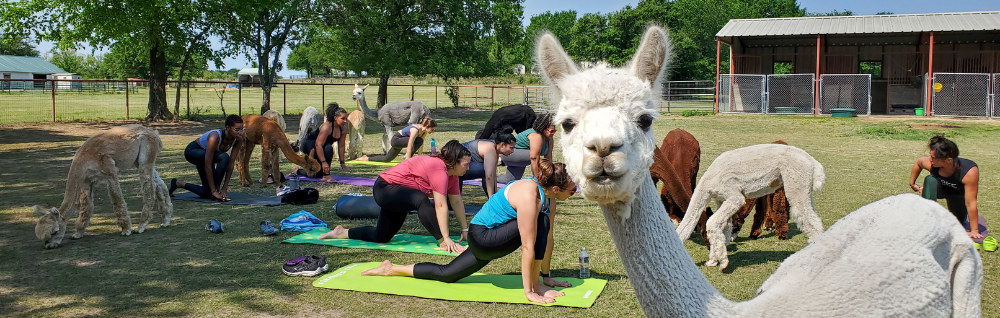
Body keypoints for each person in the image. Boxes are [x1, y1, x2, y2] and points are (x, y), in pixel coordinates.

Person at [361, 159, 578, 305]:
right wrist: (532, 290)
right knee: (541, 222)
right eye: (572, 190)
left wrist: (546, 277)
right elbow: (529, 246)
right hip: (484, 238)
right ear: (556, 189)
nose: (574, 192)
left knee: (446, 274)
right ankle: (536, 284)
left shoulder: (540, 192)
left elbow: (544, 241)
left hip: (484, 238)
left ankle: (392, 268)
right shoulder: (530, 197)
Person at [321, 140, 471, 254]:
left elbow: (456, 202)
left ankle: (342, 232)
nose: (468, 168)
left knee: (381, 236)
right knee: (421, 200)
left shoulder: (453, 176)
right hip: (385, 189)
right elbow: (440, 205)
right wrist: (445, 238)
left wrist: (465, 229)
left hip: (399, 194)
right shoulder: (438, 168)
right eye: (465, 164)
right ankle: (441, 242)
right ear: (454, 163)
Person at [909, 135, 984, 240]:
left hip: (957, 195)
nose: (930, 160)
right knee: (930, 180)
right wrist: (913, 184)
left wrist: (974, 231)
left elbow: (971, 203)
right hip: (940, 189)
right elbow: (919, 162)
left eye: (933, 158)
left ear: (948, 160)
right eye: (930, 156)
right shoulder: (931, 164)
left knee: (958, 221)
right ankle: (928, 222)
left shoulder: (969, 171)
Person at [169, 114, 244, 201]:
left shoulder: (238, 139)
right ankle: (214, 190)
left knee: (206, 192)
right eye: (237, 130)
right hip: (193, 151)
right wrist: (214, 191)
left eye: (242, 129)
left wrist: (224, 187)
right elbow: (208, 164)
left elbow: (230, 164)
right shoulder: (215, 137)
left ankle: (178, 184)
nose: (240, 132)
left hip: (207, 156)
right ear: (228, 127)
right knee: (224, 157)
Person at [498, 112, 554, 184]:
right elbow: (534, 159)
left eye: (554, 131)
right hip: (510, 154)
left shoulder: (550, 138)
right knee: (535, 156)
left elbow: (548, 157)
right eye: (551, 131)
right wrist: (538, 179)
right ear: (543, 128)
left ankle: (486, 177)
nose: (553, 133)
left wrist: (551, 174)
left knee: (509, 180)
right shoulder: (536, 136)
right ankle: (536, 179)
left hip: (521, 157)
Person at [459, 129, 517, 197]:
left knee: (489, 171)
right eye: (511, 148)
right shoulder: (490, 149)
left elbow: (493, 175)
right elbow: (489, 176)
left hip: (459, 166)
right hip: (454, 167)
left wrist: (495, 195)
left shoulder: (495, 149)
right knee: (486, 171)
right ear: (502, 145)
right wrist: (491, 199)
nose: (512, 151)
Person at [301, 103, 350, 180]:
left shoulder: (342, 129)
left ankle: (300, 171)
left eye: (346, 119)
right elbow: (318, 145)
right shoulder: (326, 127)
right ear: (335, 118)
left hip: (322, 146)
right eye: (343, 118)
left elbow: (341, 146)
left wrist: (342, 162)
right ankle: (326, 175)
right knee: (328, 148)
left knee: (318, 173)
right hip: (309, 144)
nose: (345, 121)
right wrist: (324, 162)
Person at [358, 117, 437, 162]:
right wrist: (408, 159)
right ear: (427, 127)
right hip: (396, 140)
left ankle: (366, 158)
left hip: (402, 141)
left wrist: (420, 157)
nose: (433, 132)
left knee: (387, 159)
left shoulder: (424, 132)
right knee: (418, 140)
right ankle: (407, 159)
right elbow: (410, 144)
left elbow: (420, 145)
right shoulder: (415, 130)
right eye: (432, 130)